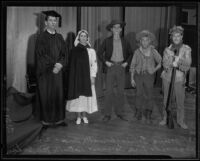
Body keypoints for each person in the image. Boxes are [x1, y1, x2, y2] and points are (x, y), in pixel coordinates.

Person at [34, 10, 67, 129]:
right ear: (45, 22)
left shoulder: (60, 37)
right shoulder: (41, 38)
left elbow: (64, 54)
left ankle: (59, 120)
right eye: (51, 20)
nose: (53, 22)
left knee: (58, 94)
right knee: (47, 95)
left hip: (57, 72)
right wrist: (54, 65)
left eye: (55, 20)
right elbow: (41, 56)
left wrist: (60, 64)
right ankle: (46, 121)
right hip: (46, 73)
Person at [97, 20, 133, 122]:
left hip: (121, 67)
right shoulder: (107, 41)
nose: (117, 29)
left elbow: (131, 53)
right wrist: (106, 62)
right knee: (108, 92)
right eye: (115, 27)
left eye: (118, 27)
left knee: (121, 92)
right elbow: (99, 53)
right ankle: (107, 114)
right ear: (111, 29)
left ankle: (120, 113)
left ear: (121, 29)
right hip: (110, 67)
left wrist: (126, 63)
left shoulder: (125, 41)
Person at [159, 26, 192, 129]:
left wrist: (178, 62)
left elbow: (188, 64)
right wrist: (170, 63)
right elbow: (164, 63)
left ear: (182, 36)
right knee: (166, 100)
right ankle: (165, 118)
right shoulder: (167, 50)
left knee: (180, 101)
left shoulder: (187, 49)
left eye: (178, 35)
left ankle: (180, 120)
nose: (176, 37)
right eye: (174, 35)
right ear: (171, 37)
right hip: (167, 78)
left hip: (179, 78)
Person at [66, 29, 98, 125]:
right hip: (77, 78)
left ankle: (84, 115)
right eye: (81, 36)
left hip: (87, 78)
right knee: (78, 98)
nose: (83, 38)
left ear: (87, 38)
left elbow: (94, 64)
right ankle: (78, 116)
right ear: (78, 37)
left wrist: (93, 76)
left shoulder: (91, 51)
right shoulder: (74, 51)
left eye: (85, 36)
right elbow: (71, 66)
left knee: (85, 97)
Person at [130, 30, 162, 124]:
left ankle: (148, 112)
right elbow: (132, 65)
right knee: (138, 94)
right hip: (138, 75)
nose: (144, 42)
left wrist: (154, 70)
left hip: (149, 76)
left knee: (149, 95)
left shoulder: (153, 51)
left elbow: (161, 62)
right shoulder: (137, 52)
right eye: (143, 40)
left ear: (150, 41)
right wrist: (132, 78)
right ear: (140, 41)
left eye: (146, 40)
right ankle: (138, 111)